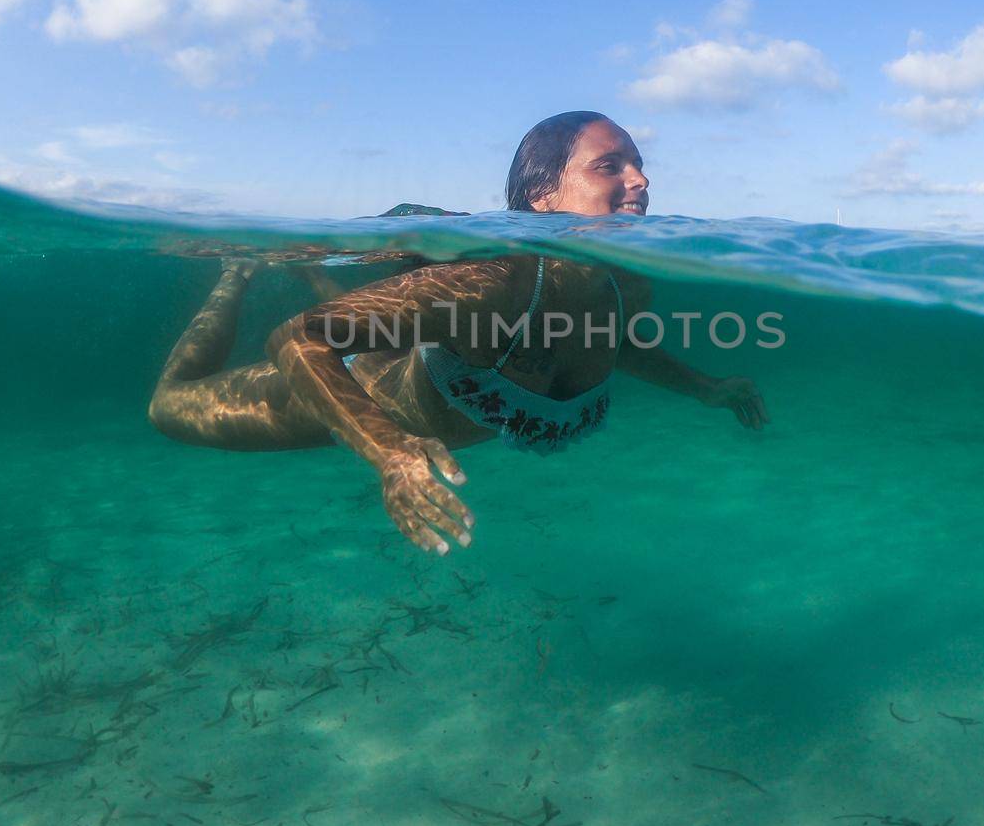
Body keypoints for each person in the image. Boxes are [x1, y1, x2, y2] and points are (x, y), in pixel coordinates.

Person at [148, 111, 769, 555]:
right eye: (611, 166)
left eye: (638, 165)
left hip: (413, 362)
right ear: (543, 195)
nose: (640, 180)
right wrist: (388, 451)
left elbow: (615, 343)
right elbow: (296, 340)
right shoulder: (494, 281)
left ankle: (312, 273)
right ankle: (235, 276)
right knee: (168, 405)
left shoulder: (624, 285)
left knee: (385, 329)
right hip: (365, 395)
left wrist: (705, 388)